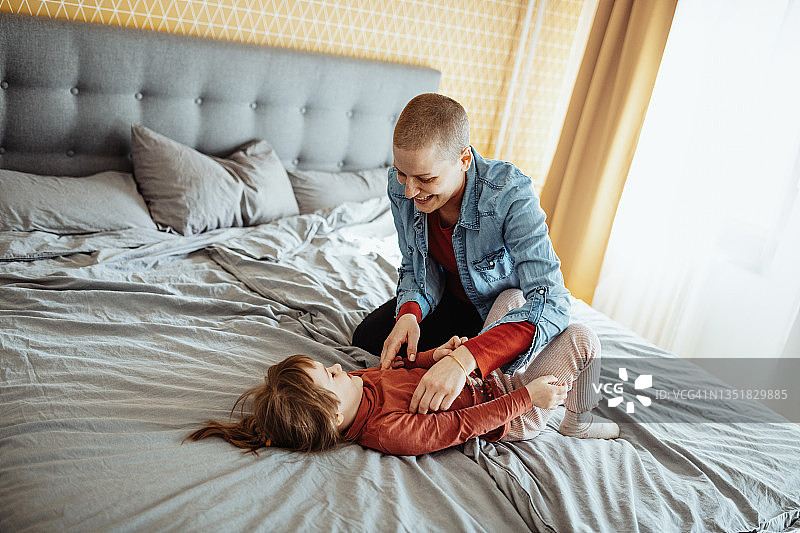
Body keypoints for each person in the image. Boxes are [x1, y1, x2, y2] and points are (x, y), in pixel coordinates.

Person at [352, 93, 612, 436]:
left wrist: (466, 358)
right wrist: (410, 313)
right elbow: (415, 264)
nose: (410, 191)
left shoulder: (510, 194)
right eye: (402, 174)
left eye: (426, 179)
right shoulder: (402, 186)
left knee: (554, 332)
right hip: (452, 304)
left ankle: (558, 400)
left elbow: (549, 298)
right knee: (369, 340)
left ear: (463, 159)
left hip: (504, 312)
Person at [185, 295, 620, 456]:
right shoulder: (387, 431)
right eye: (331, 376)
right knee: (583, 339)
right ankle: (576, 422)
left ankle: (526, 358)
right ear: (335, 416)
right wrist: (531, 399)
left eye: (327, 366)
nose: (339, 367)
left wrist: (440, 354)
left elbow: (405, 370)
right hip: (508, 411)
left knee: (511, 298)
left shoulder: (359, 384)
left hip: (483, 371)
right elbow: (463, 425)